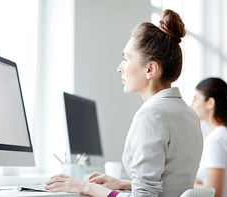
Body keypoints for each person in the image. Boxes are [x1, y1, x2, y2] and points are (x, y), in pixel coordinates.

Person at [45, 9, 203, 197]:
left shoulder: (152, 115)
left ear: (150, 69)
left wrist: (87, 187)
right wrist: (123, 184)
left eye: (126, 58)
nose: (119, 68)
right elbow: (172, 181)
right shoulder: (188, 113)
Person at [192, 77, 227, 197]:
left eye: (195, 99)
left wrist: (185, 186)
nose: (192, 105)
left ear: (210, 103)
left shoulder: (217, 139)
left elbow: (215, 193)